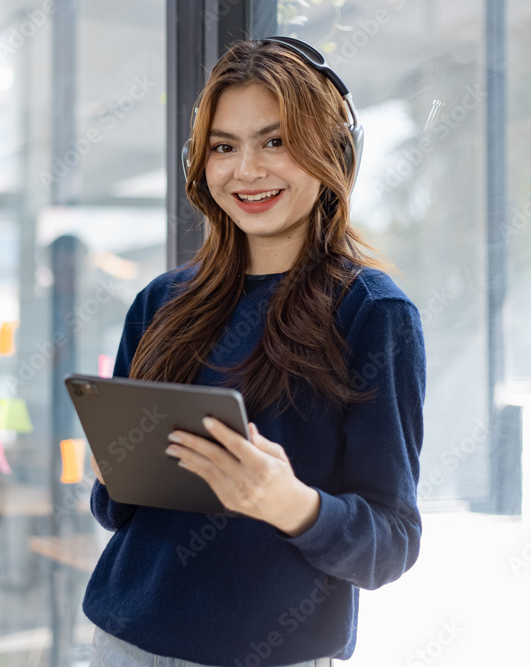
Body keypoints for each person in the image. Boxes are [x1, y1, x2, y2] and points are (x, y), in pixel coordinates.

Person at [83, 37, 426, 667]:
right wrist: (109, 473)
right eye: (224, 146)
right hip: (124, 642)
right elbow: (116, 511)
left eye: (275, 141)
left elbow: (393, 541)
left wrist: (288, 502)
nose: (246, 170)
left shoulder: (373, 313)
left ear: (333, 152)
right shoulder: (161, 302)